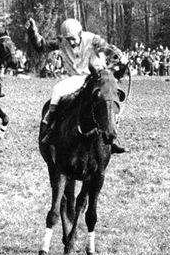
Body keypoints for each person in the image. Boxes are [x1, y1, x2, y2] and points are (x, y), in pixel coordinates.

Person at [25, 17, 127, 153]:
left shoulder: (93, 39)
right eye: (68, 39)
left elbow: (108, 49)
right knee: (57, 90)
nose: (71, 42)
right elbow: (41, 46)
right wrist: (33, 32)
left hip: (97, 77)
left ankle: (112, 138)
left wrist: (119, 56)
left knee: (108, 98)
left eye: (73, 38)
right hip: (76, 78)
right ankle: (51, 127)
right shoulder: (62, 42)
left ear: (80, 33)